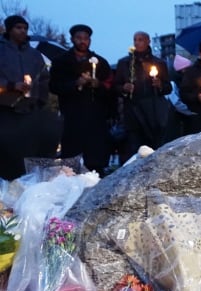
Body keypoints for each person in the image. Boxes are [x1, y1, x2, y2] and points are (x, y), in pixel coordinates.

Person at [0, 15, 61, 180]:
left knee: (26, 152)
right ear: (9, 29)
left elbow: (44, 78)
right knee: (6, 151)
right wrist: (11, 85)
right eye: (18, 27)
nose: (22, 31)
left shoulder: (34, 55)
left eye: (25, 28)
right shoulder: (2, 50)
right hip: (5, 108)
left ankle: (23, 185)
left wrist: (40, 99)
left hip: (28, 110)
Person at [49, 24, 114, 174]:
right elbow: (54, 86)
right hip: (72, 113)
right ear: (72, 39)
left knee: (95, 155)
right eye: (79, 38)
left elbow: (110, 86)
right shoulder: (61, 62)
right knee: (72, 156)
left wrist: (98, 84)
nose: (82, 41)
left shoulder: (100, 62)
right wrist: (75, 84)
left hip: (95, 114)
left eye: (86, 38)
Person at [113, 31, 172, 162]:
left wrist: (160, 84)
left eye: (140, 39)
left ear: (148, 41)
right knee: (134, 149)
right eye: (135, 39)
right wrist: (124, 87)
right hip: (133, 112)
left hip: (153, 113)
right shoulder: (125, 63)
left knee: (153, 150)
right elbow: (115, 86)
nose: (137, 42)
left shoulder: (158, 63)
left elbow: (168, 88)